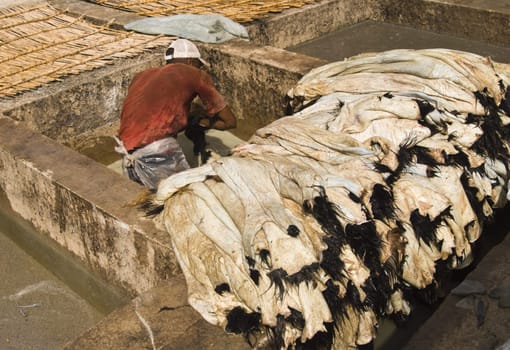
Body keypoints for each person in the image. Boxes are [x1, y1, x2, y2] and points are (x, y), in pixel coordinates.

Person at [114, 38, 237, 190]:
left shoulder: (141, 76)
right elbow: (230, 122)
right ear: (191, 61)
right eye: (199, 65)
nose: (200, 69)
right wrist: (201, 123)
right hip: (156, 152)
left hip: (126, 154)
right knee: (187, 201)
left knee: (147, 206)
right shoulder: (194, 73)